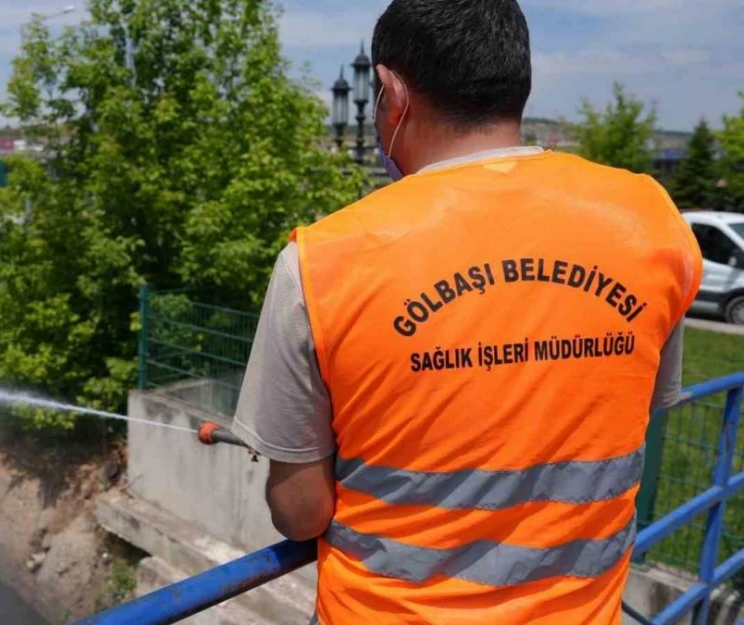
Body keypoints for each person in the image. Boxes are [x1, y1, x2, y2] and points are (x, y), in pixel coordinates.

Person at [230, 0, 703, 623]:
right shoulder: (650, 222)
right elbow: (623, 409)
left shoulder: (322, 261)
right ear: (518, 83)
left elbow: (301, 513)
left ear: (391, 91)